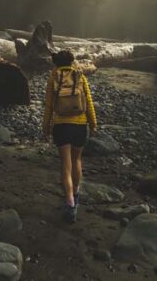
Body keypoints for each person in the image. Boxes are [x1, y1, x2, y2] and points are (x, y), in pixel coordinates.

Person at [41, 49, 97, 223]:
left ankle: (70, 204)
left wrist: (46, 127)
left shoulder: (53, 78)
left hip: (61, 125)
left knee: (66, 165)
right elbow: (88, 102)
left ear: (56, 63)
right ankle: (76, 193)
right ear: (71, 62)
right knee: (77, 161)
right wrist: (93, 123)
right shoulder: (80, 76)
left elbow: (49, 106)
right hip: (80, 125)